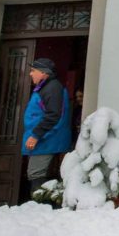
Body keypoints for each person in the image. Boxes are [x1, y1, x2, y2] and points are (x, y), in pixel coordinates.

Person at [21, 57, 72, 200]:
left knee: (36, 174)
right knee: (38, 173)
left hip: (47, 140)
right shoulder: (47, 87)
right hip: (46, 140)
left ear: (44, 73)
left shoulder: (51, 88)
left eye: (33, 71)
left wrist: (36, 135)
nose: (30, 74)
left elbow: (53, 115)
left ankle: (40, 208)